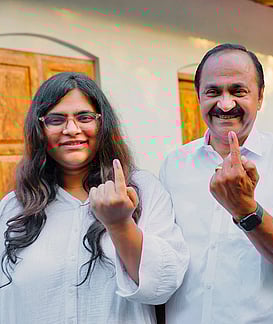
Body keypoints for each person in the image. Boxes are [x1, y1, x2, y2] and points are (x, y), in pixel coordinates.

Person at [0, 72, 189, 323]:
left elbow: (162, 286)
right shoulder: (14, 208)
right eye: (56, 120)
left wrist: (120, 224)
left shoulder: (142, 190)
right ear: (40, 129)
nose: (71, 129)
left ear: (102, 124)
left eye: (84, 117)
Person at [159, 43, 273, 323]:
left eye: (238, 91)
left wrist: (245, 209)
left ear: (259, 97)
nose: (225, 104)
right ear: (198, 96)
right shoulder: (174, 164)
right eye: (213, 92)